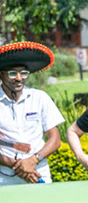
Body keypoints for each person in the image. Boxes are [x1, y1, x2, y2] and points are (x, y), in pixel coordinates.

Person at [0, 42, 63, 185]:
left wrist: (34, 160)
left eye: (23, 73)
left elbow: (55, 140)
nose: (19, 78)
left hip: (38, 173)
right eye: (12, 73)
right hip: (4, 178)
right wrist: (18, 166)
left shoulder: (39, 97)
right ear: (1, 74)